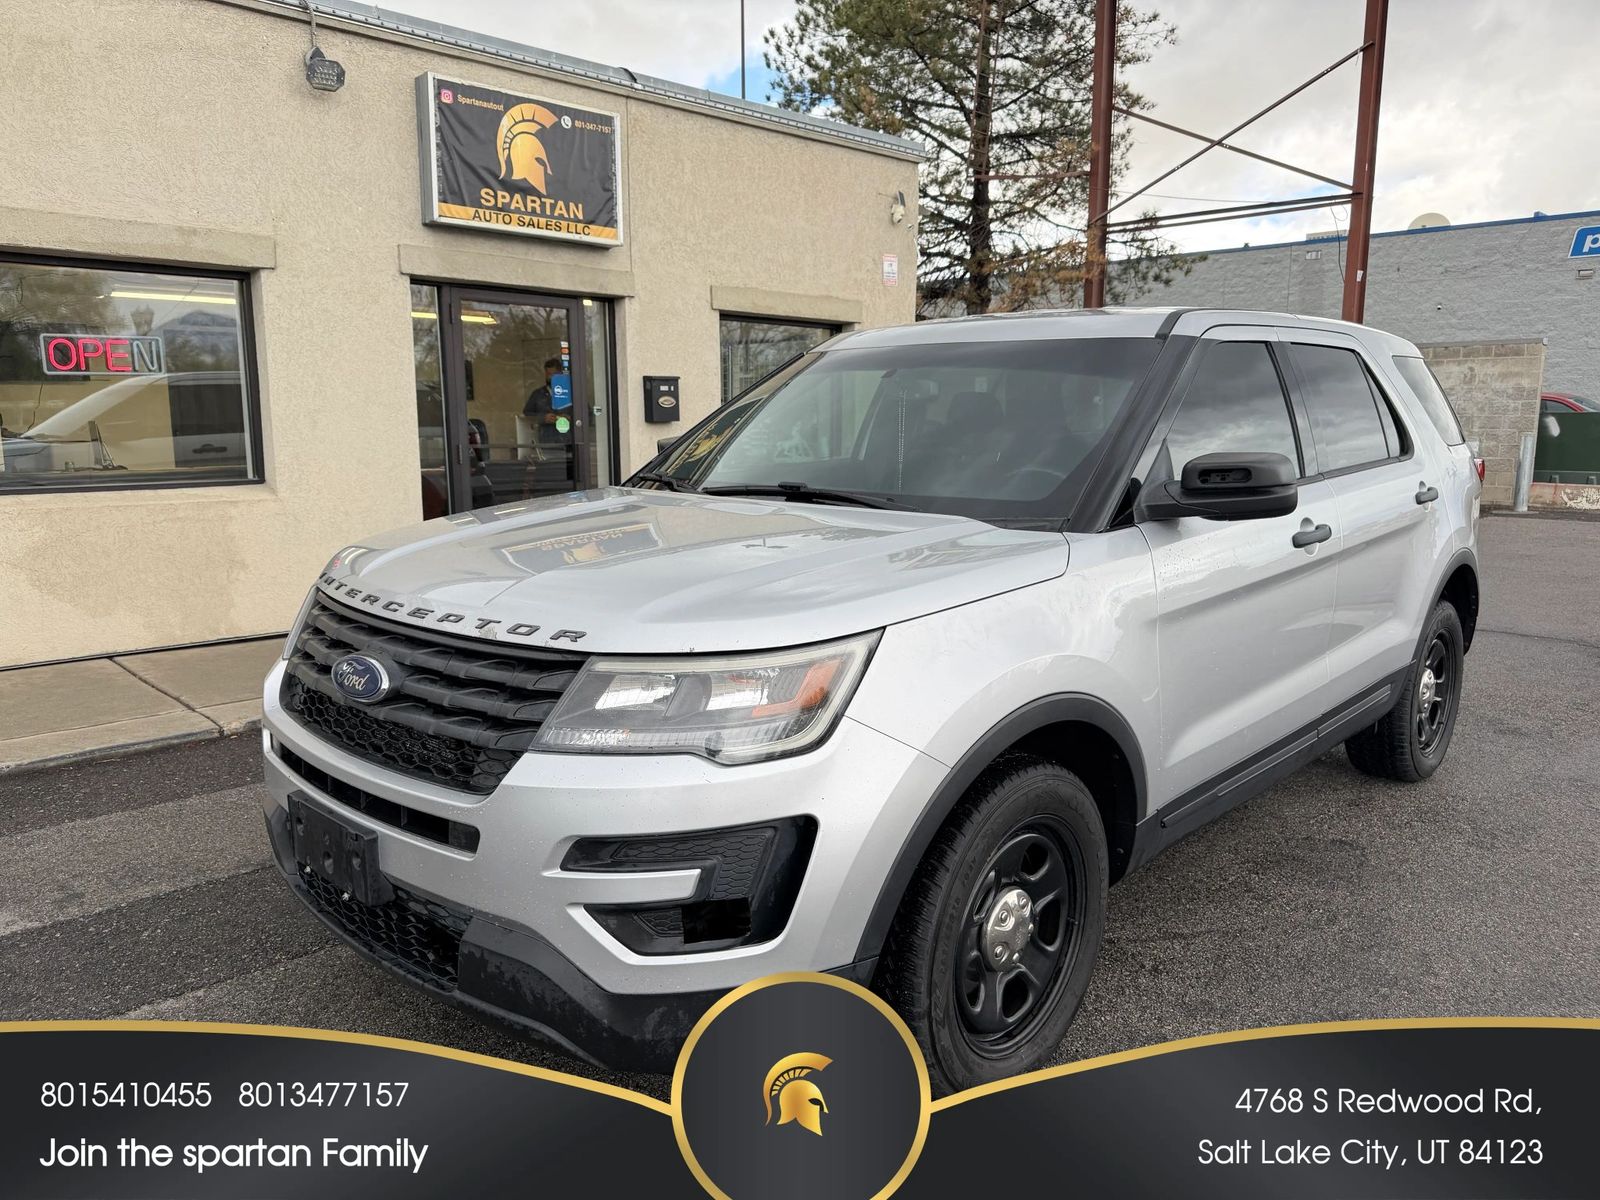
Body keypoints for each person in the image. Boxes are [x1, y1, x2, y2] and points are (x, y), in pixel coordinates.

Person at [522, 355, 572, 482]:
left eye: (553, 374)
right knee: (549, 478)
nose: (550, 377)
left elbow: (585, 414)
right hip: (546, 444)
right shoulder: (537, 394)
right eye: (548, 374)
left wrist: (569, 417)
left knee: (568, 480)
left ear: (560, 374)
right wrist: (542, 418)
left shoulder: (572, 392)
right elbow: (526, 416)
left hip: (569, 444)